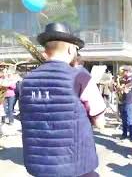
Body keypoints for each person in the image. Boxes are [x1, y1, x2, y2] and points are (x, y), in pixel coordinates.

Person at [19, 22, 106, 177]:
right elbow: (101, 123)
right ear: (70, 49)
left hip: (39, 166)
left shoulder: (26, 81)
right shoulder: (80, 76)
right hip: (75, 165)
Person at [120, 66, 132, 140]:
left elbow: (131, 84)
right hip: (124, 100)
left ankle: (131, 135)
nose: (123, 72)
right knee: (123, 118)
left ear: (128, 72)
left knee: (129, 118)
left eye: (124, 71)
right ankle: (124, 134)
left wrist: (123, 87)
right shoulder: (123, 79)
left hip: (130, 101)